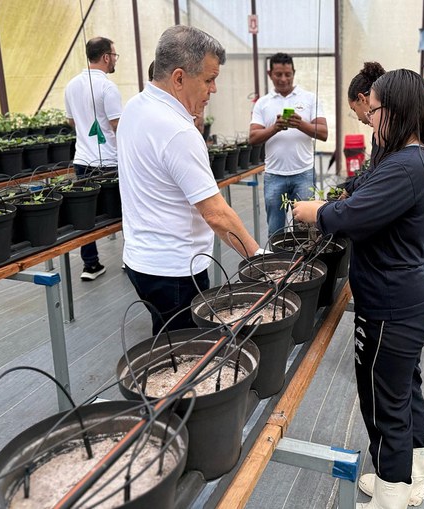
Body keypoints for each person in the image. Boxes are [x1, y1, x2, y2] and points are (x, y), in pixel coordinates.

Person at [292, 69, 424, 509]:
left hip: (392, 305)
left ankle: (392, 494)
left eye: (372, 111)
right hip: (408, 298)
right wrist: (340, 194)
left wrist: (316, 211)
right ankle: (409, 478)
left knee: (383, 403)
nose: (368, 119)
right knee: (404, 388)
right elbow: (363, 188)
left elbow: (353, 216)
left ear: (395, 111)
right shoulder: (408, 157)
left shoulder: (407, 166)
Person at [117, 26, 261, 335]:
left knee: (167, 338)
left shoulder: (135, 107)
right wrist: (258, 259)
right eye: (209, 79)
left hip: (140, 260)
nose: (214, 89)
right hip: (175, 271)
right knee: (188, 349)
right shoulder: (178, 131)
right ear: (179, 78)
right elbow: (216, 214)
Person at [249, 53, 328, 237]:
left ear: (294, 72)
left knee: (304, 229)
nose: (283, 79)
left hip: (304, 173)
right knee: (275, 230)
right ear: (270, 74)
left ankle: (303, 256)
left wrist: (299, 124)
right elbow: (253, 137)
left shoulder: (309, 98)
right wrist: (275, 128)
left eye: (288, 74)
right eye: (278, 74)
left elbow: (323, 133)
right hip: (274, 175)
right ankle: (277, 255)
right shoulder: (263, 103)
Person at [64, 36, 122, 281]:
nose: (115, 60)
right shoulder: (107, 87)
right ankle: (131, 259)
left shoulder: (71, 85)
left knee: (86, 216)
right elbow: (117, 125)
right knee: (123, 213)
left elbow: (71, 121)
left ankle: (91, 265)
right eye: (114, 55)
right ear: (106, 57)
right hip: (109, 161)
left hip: (82, 160)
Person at [341, 61, 385, 196]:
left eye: (354, 110)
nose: (358, 118)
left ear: (362, 99)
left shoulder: (385, 132)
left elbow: (376, 174)